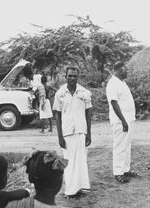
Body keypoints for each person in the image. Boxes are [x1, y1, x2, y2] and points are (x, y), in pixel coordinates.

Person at [53, 66, 92, 198]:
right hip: (67, 132)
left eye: (75, 76)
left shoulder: (84, 92)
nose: (72, 78)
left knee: (81, 160)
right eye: (70, 76)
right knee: (68, 162)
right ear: (66, 76)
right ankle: (70, 191)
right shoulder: (60, 93)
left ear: (77, 77)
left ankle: (80, 188)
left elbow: (88, 113)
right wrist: (60, 136)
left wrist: (89, 133)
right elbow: (57, 116)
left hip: (81, 131)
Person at [106, 61, 138, 184]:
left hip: (129, 119)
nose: (127, 71)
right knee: (120, 146)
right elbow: (114, 103)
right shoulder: (112, 83)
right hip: (121, 121)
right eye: (126, 69)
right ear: (119, 70)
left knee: (127, 145)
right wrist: (123, 121)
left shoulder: (122, 82)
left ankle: (125, 169)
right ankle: (118, 173)